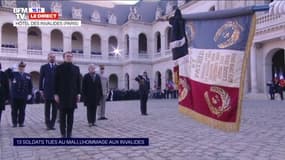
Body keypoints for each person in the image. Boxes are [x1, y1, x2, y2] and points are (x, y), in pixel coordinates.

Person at [54, 52, 81, 138]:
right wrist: (55, 94)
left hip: (72, 96)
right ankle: (63, 133)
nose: (69, 58)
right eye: (67, 56)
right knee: (62, 116)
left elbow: (78, 82)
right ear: (64, 58)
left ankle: (69, 133)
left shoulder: (76, 68)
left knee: (71, 116)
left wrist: (79, 94)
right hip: (62, 96)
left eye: (70, 56)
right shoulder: (59, 68)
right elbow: (55, 82)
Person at [6, 61, 33, 127]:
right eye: (20, 66)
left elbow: (30, 86)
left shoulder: (28, 75)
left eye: (23, 67)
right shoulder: (14, 74)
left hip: (23, 96)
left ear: (24, 67)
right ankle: (14, 123)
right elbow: (6, 74)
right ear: (18, 67)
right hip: (14, 96)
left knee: (22, 110)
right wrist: (11, 68)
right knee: (14, 110)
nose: (21, 68)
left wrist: (30, 94)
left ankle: (21, 123)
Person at [39, 53, 58, 130]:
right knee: (47, 109)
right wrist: (41, 89)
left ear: (55, 58)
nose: (52, 58)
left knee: (55, 110)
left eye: (53, 57)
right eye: (51, 57)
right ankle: (47, 124)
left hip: (56, 92)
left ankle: (52, 124)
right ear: (48, 58)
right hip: (47, 91)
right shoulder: (43, 67)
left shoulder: (58, 67)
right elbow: (41, 79)